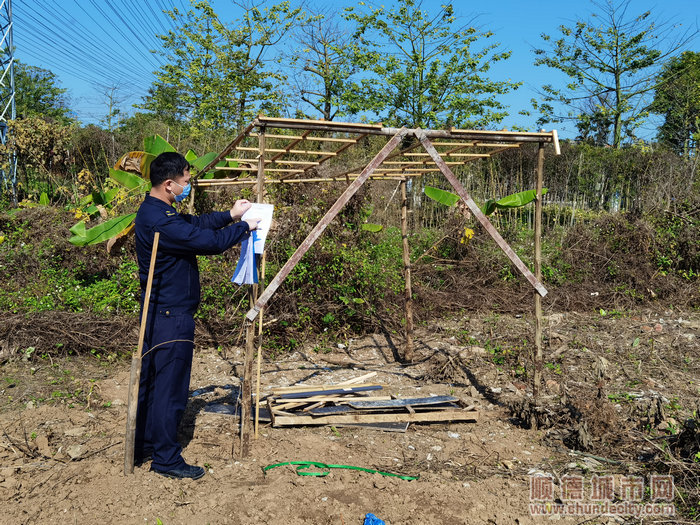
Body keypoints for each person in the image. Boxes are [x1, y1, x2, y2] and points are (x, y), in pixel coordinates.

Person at [133, 151, 260, 480]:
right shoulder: (160, 219)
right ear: (169, 184)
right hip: (171, 315)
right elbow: (207, 241)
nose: (188, 187)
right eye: (186, 182)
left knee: (155, 383)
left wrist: (231, 215)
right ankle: (165, 457)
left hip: (163, 311)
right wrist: (244, 228)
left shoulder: (157, 211)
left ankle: (146, 444)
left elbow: (195, 224)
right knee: (170, 388)